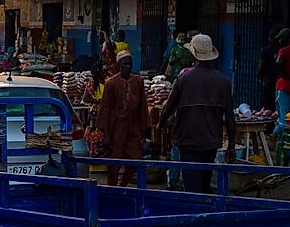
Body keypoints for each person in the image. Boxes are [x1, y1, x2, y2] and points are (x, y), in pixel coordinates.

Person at [160, 34, 235, 194]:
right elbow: (230, 116)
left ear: (193, 54)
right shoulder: (224, 81)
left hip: (188, 139)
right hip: (211, 140)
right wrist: (232, 146)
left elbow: (167, 108)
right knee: (204, 182)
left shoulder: (183, 78)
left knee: (192, 185)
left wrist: (161, 124)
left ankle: (196, 214)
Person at [95, 50, 148, 187]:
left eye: (130, 64)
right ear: (119, 65)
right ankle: (113, 188)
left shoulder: (138, 81)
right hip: (117, 126)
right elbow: (105, 108)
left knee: (136, 159)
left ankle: (123, 184)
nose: (128, 67)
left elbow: (143, 106)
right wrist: (106, 134)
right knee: (115, 160)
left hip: (133, 126)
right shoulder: (111, 83)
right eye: (125, 64)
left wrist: (144, 130)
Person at [261, 27, 284, 114]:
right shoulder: (281, 50)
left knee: (268, 107)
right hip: (279, 83)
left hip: (269, 81)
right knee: (279, 106)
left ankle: (270, 126)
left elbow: (261, 66)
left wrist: (260, 77)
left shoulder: (265, 50)